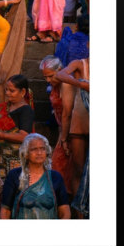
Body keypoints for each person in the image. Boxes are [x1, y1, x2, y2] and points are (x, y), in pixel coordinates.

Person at [0, 133, 70, 219]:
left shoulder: (55, 177)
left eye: (42, 149)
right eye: (34, 149)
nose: (39, 153)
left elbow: (65, 211)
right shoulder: (15, 175)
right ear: (25, 153)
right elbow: (5, 210)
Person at [0, 74, 35, 180]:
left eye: (11, 91)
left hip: (14, 158)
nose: (7, 93)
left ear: (23, 92)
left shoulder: (26, 110)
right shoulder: (3, 107)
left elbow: (24, 136)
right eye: (6, 90)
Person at [55, 56, 89, 217]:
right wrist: (81, 84)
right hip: (80, 124)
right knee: (78, 169)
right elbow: (61, 74)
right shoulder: (80, 64)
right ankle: (79, 215)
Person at [39, 56, 71, 193]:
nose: (48, 80)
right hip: (62, 131)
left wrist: (64, 139)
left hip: (71, 132)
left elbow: (67, 113)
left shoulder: (65, 84)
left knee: (63, 170)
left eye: (50, 76)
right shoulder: (55, 86)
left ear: (60, 70)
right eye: (45, 77)